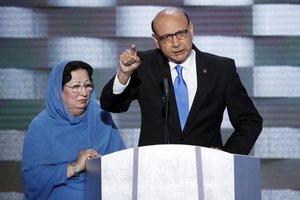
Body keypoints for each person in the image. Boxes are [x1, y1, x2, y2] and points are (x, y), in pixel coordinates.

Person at [100, 7, 263, 155]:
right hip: (155, 170)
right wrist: (123, 74)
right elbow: (110, 105)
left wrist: (227, 155)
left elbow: (250, 121)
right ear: (156, 40)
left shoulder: (220, 69)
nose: (176, 43)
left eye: (181, 33)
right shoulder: (143, 65)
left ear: (191, 29)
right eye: (166, 38)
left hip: (206, 171)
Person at [22, 60, 126, 200]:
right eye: (76, 86)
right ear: (58, 90)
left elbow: (123, 164)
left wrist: (104, 165)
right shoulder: (41, 126)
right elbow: (32, 178)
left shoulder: (100, 116)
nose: (84, 92)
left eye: (88, 85)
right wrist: (75, 167)